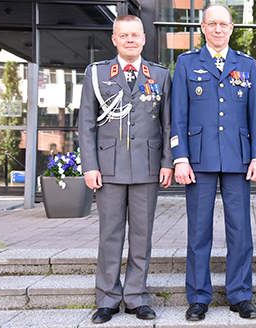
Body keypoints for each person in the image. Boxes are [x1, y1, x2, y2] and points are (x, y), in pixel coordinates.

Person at [169, 3, 256, 322]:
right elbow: (177, 115)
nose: (218, 29)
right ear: (202, 27)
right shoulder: (185, 63)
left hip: (238, 158)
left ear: (232, 28)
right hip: (197, 158)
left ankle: (240, 294)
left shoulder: (247, 64)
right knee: (199, 232)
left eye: (223, 24)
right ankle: (198, 296)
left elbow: (254, 115)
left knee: (240, 231)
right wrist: (179, 157)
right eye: (212, 24)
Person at [78, 15, 174, 324]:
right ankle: (107, 299)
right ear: (114, 39)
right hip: (108, 169)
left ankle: (136, 297)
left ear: (144, 39)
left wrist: (167, 162)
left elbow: (168, 124)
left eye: (135, 34)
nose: (130, 39)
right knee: (110, 236)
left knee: (142, 236)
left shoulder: (160, 75)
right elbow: (86, 125)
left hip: (146, 168)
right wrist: (89, 166)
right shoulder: (97, 74)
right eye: (124, 35)